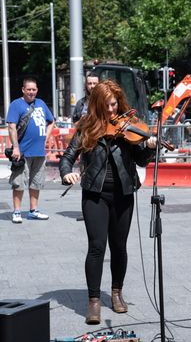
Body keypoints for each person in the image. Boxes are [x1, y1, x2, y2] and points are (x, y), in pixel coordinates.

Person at [59, 79, 157, 325]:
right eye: (106, 106)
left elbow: (141, 160)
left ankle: (116, 292)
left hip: (123, 193)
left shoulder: (128, 126)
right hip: (95, 194)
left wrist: (150, 147)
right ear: (97, 105)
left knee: (119, 246)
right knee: (97, 246)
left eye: (114, 104)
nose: (112, 110)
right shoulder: (86, 127)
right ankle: (93, 300)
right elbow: (67, 157)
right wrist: (66, 173)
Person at [6, 77, 55, 223]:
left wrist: (46, 138)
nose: (31, 92)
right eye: (29, 89)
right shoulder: (16, 104)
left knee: (36, 182)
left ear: (37, 90)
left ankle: (33, 210)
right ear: (23, 90)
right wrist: (15, 147)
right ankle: (17, 212)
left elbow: (51, 121)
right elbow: (11, 126)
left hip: (39, 152)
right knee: (19, 182)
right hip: (23, 152)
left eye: (34, 89)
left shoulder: (41, 103)